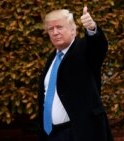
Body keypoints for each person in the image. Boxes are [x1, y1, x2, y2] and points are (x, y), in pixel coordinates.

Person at [38, 6, 113, 141]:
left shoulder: (82, 49)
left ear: (73, 29)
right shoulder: (52, 58)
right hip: (52, 134)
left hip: (80, 132)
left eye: (59, 27)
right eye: (51, 29)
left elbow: (97, 47)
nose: (55, 32)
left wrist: (91, 28)